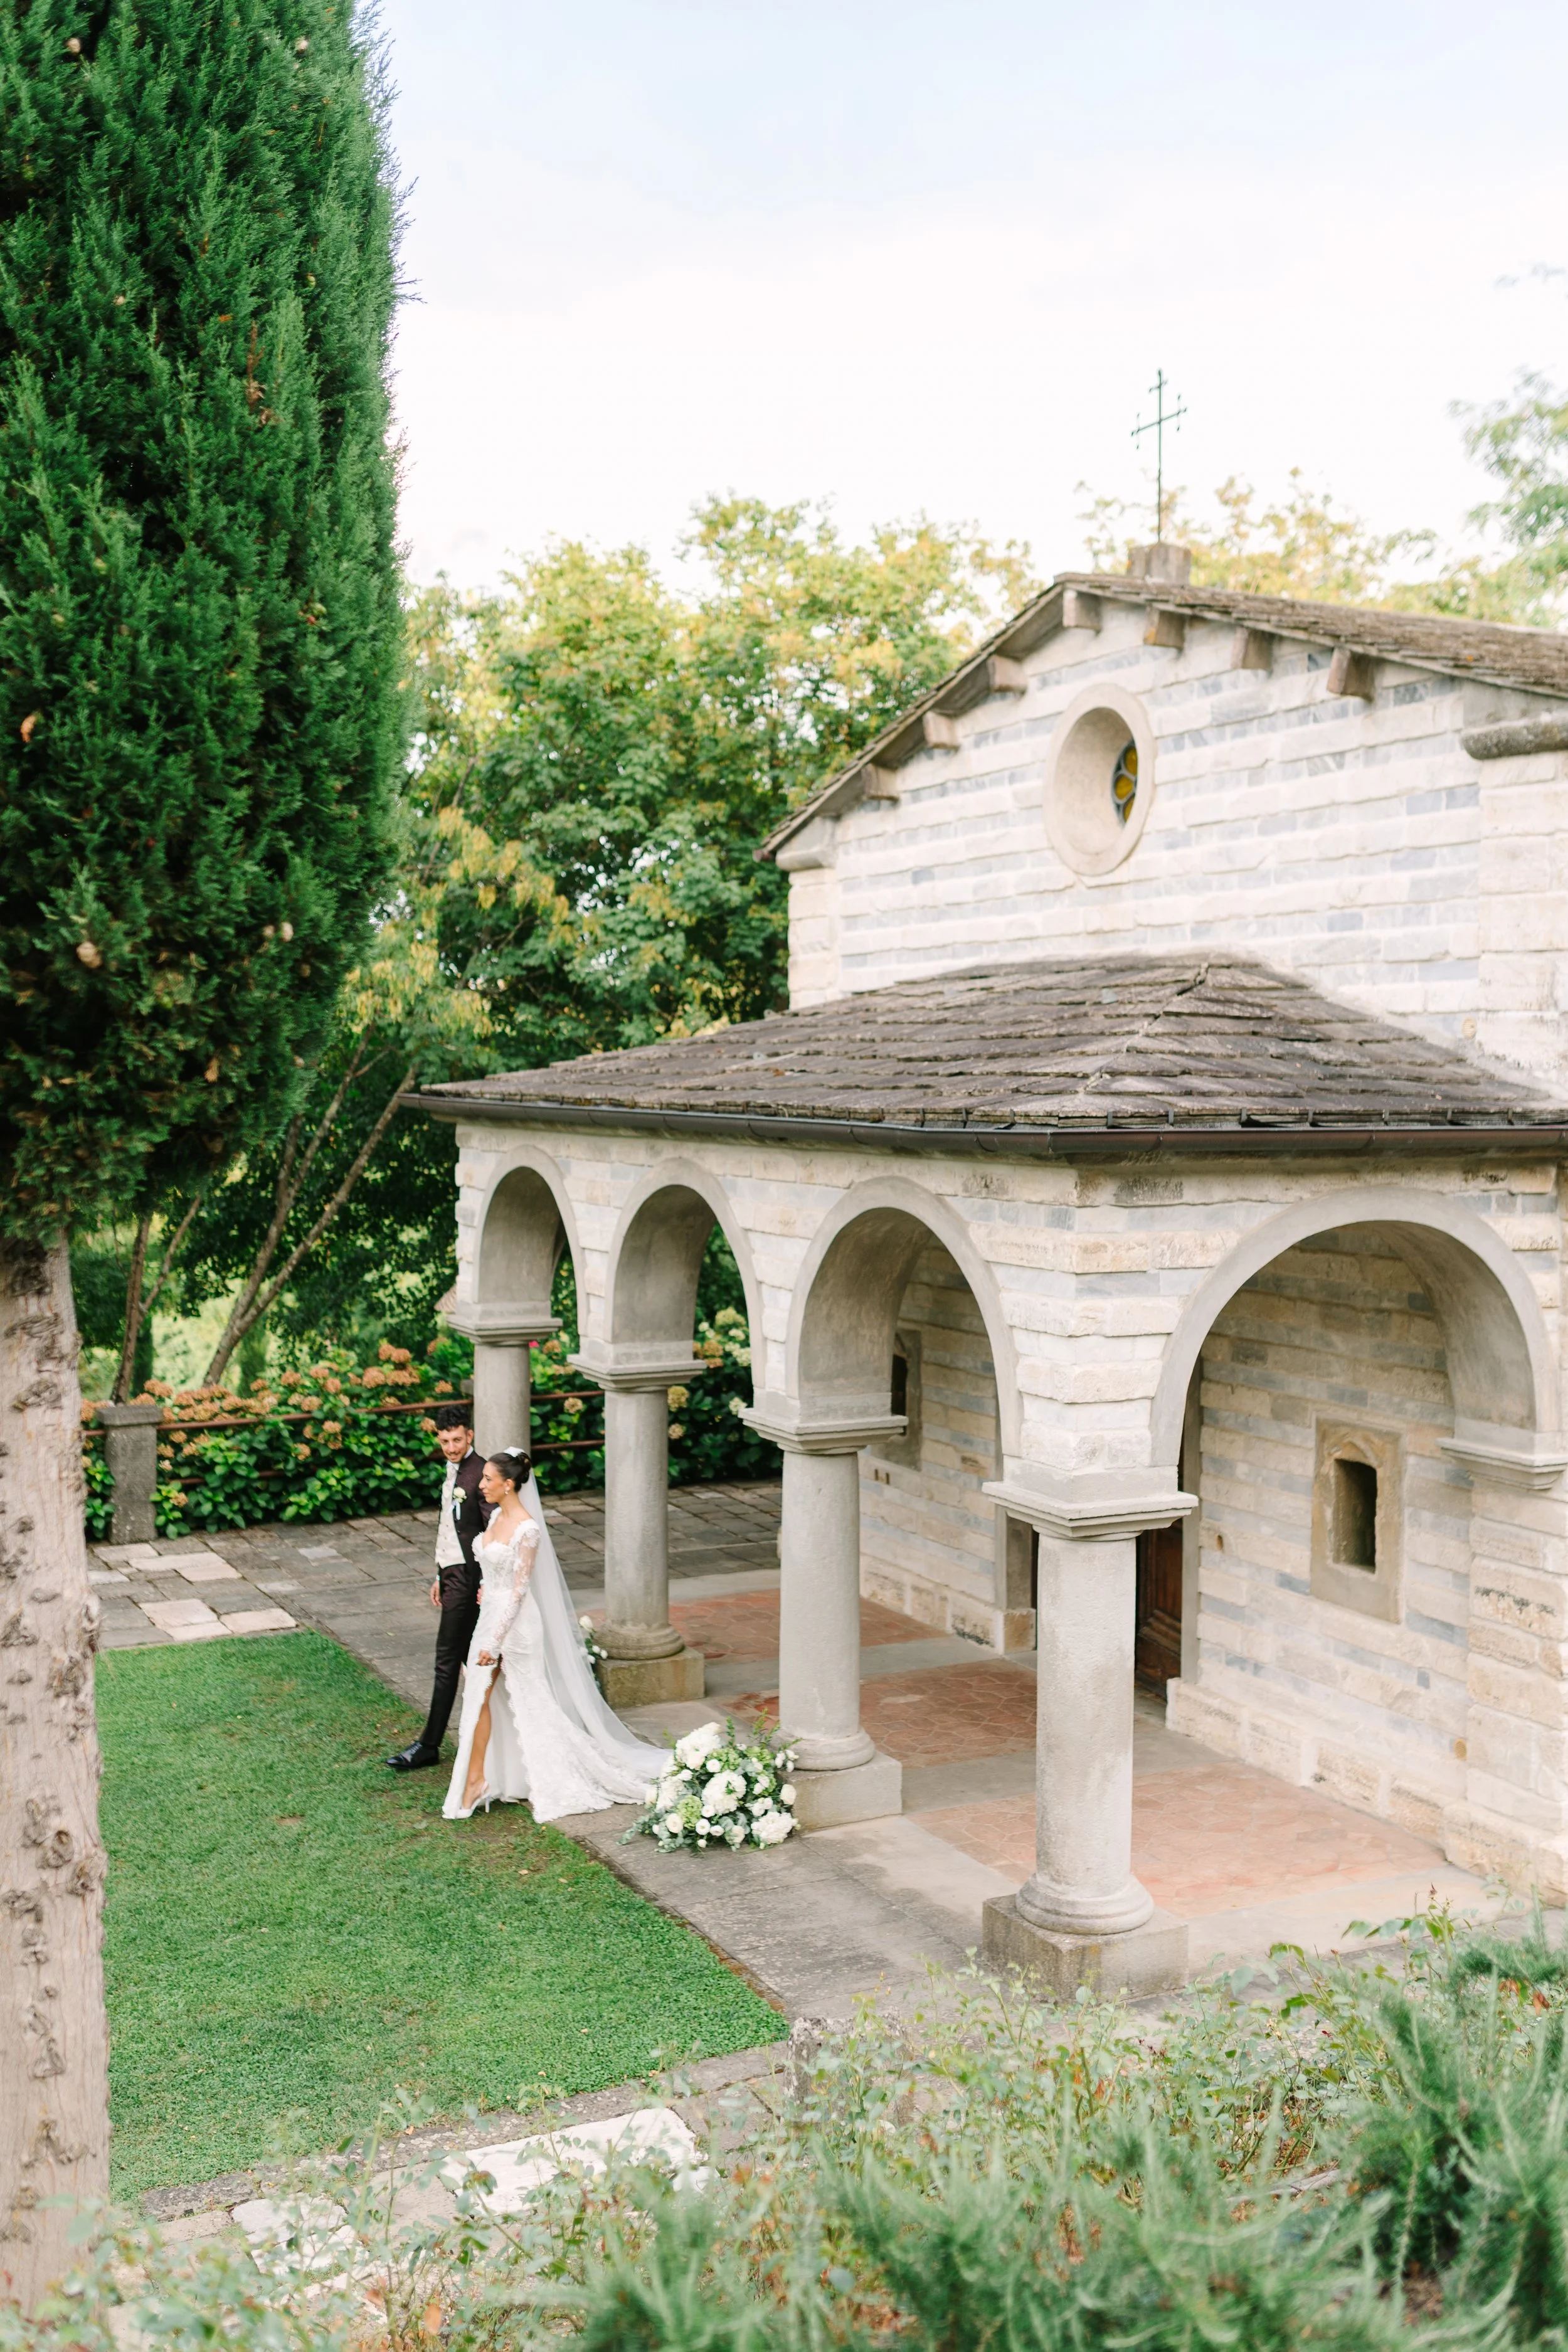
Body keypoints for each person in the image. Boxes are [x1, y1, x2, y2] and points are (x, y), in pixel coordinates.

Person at [443, 1446, 667, 1822]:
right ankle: (478, 1779)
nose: (481, 1484)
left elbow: (519, 1589)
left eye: (488, 1479)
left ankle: (553, 1776)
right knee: (478, 1696)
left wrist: (495, 1643)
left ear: (509, 1484)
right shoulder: (496, 1515)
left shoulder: (528, 1530)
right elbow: (496, 1572)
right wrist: (485, 1588)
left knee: (531, 1704)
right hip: (491, 1616)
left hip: (515, 1627)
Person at [385, 1404, 491, 1773]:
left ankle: (429, 1746)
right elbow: (451, 1528)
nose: (451, 1447)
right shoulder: (453, 1470)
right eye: (445, 1441)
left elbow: (492, 1534)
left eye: (457, 1440)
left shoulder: (481, 1475)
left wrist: (483, 1582)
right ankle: (498, 1736)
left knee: (447, 1661)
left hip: (469, 1579)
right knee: (472, 1659)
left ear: (470, 1436)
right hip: (452, 1574)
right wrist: (439, 1574)